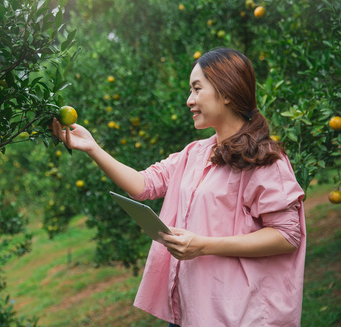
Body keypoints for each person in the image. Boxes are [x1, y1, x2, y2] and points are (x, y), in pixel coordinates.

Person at [51, 48, 306, 327]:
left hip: (239, 314)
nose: (189, 100)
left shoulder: (264, 159)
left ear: (227, 92)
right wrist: (92, 148)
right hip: (192, 310)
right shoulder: (195, 153)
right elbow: (144, 184)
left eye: (197, 89)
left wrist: (204, 245)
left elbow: (286, 235)